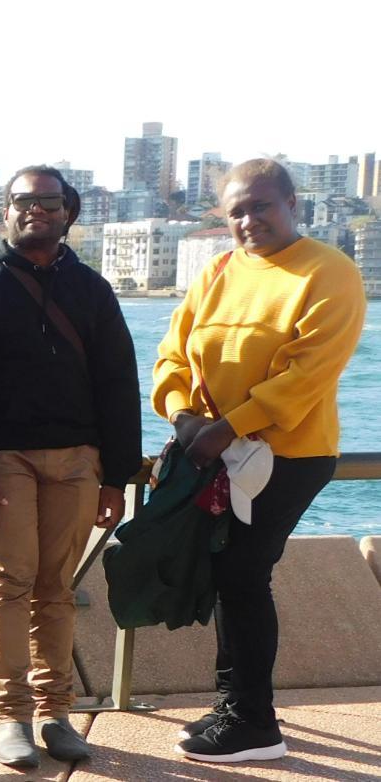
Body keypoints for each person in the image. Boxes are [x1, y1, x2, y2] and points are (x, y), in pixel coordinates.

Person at [154, 157, 365, 764]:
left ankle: (254, 723)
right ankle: (236, 706)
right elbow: (174, 351)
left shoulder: (329, 272)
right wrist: (181, 414)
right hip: (214, 448)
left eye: (261, 205)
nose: (249, 219)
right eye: (237, 210)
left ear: (291, 203)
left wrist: (227, 428)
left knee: (243, 574)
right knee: (228, 576)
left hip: (288, 454)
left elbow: (307, 374)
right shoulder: (220, 268)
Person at [0, 165, 140, 768]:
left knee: (58, 589)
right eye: (24, 202)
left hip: (80, 459)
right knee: (8, 583)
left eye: (49, 202)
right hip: (1, 459)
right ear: (4, 212)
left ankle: (55, 715)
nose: (37, 211)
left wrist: (118, 476)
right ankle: (11, 719)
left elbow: (118, 383)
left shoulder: (93, 290)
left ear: (67, 212)